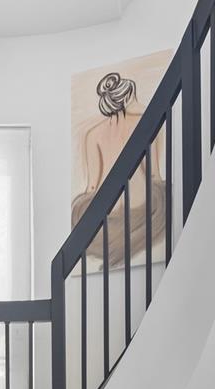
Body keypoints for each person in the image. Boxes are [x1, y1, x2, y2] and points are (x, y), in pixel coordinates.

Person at [70, 70, 166, 266]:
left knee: (80, 211)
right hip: (140, 204)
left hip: (107, 210)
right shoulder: (144, 124)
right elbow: (153, 174)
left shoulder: (93, 135)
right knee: (163, 197)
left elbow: (92, 187)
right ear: (128, 97)